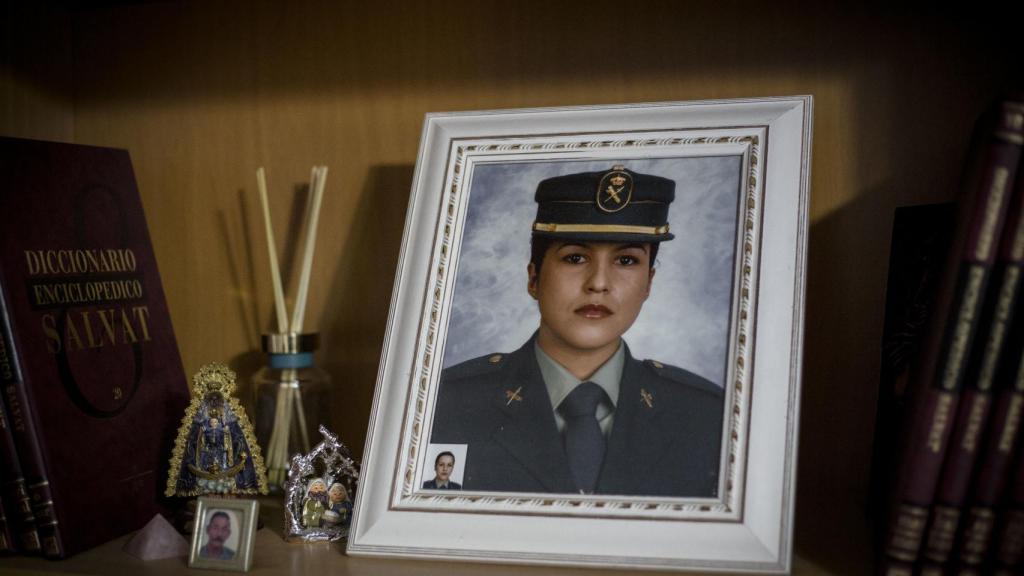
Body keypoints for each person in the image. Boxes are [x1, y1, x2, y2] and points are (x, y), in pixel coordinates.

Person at [431, 165, 723, 497]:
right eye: (574, 258)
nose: (599, 283)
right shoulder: (447, 402)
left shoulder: (707, 415)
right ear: (534, 278)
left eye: (626, 261)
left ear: (649, 283)